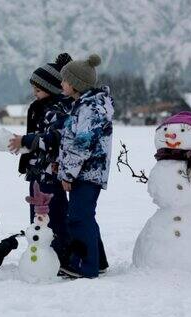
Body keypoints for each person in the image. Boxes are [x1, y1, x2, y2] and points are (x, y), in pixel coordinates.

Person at [8, 53, 73, 266]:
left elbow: (55, 139)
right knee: (39, 214)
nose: (34, 94)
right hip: (39, 172)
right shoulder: (43, 108)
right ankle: (41, 254)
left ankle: (58, 256)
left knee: (51, 215)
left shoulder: (55, 110)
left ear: (53, 88)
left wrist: (26, 141)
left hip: (49, 174)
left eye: (38, 90)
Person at [57, 54, 114, 279]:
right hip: (87, 171)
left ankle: (85, 266)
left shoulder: (89, 107)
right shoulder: (84, 104)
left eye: (65, 80)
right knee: (84, 215)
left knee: (79, 217)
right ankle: (97, 261)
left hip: (87, 172)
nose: (61, 84)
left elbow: (82, 144)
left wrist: (68, 174)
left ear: (76, 83)